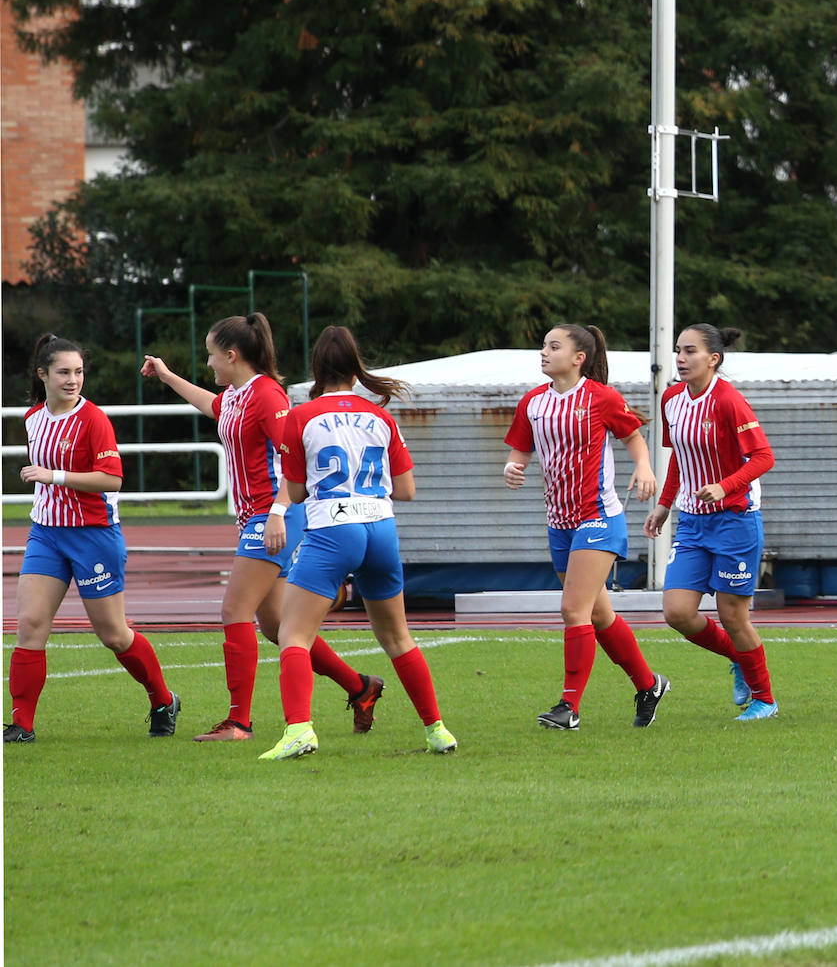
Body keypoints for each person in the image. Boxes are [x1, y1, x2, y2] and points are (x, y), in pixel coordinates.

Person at [141, 314, 384, 742]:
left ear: (231, 356)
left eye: (211, 355)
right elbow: (211, 405)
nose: (209, 364)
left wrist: (277, 510)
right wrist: (167, 376)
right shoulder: (236, 395)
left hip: (272, 516)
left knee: (234, 611)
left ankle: (239, 722)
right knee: (277, 627)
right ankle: (360, 687)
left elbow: (296, 455)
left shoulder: (268, 395)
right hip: (260, 517)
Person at [257, 326, 456, 759]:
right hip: (381, 529)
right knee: (399, 638)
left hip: (333, 528)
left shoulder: (301, 415)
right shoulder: (381, 417)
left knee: (293, 635)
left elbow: (294, 489)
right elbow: (406, 490)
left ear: (317, 369)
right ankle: (437, 729)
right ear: (355, 368)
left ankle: (299, 730)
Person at [5, 334, 179, 743]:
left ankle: (162, 699)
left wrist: (54, 476)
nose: (72, 380)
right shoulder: (33, 418)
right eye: (64, 372)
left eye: (78, 372)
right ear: (43, 374)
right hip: (46, 535)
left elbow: (112, 479)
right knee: (30, 625)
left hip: (94, 536)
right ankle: (22, 725)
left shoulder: (93, 419)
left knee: (113, 634)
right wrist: (48, 485)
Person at [504, 323, 670, 730]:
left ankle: (568, 707)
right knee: (598, 615)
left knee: (572, 609)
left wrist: (644, 466)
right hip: (559, 522)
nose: (543, 352)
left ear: (579, 358)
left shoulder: (600, 397)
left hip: (599, 518)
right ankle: (649, 685)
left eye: (554, 346)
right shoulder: (533, 402)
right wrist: (513, 467)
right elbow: (519, 451)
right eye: (543, 345)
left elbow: (633, 436)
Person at [644, 324, 779, 721]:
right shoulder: (671, 399)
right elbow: (679, 461)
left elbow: (764, 458)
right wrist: (664, 505)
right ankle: (740, 658)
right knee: (678, 613)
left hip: (736, 520)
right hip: (692, 522)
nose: (681, 359)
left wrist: (725, 486)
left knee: (733, 616)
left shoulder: (729, 401)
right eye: (678, 352)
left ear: (713, 359)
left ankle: (765, 700)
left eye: (690, 352)